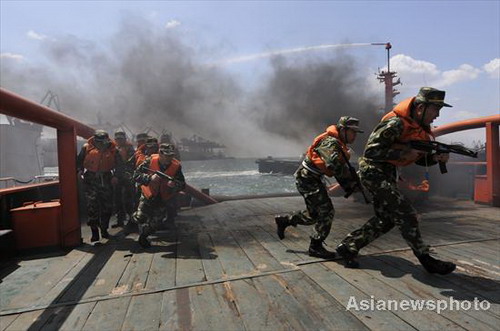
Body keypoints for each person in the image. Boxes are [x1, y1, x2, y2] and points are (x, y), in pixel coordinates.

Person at [336, 87, 456, 275]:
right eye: (435, 110)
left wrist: (435, 159)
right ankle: (426, 259)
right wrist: (404, 153)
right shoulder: (395, 124)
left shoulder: (419, 130)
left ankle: (348, 246)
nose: (437, 115)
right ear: (420, 108)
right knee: (406, 212)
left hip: (387, 173)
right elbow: (371, 152)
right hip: (373, 172)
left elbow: (419, 159)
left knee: (386, 219)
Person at [275, 116, 364, 259]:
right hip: (307, 179)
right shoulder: (330, 143)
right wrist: (350, 184)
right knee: (327, 212)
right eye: (352, 131)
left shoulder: (339, 143)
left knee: (314, 215)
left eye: (356, 132)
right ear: (343, 130)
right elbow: (334, 165)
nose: (354, 136)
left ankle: (285, 220)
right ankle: (315, 247)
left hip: (312, 179)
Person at [132, 143, 186, 248]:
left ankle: (143, 236)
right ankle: (131, 222)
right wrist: (149, 178)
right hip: (148, 195)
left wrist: (174, 185)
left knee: (156, 224)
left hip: (163, 198)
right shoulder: (149, 161)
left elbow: (182, 184)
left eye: (171, 155)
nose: (169, 158)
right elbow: (136, 175)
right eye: (166, 155)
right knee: (140, 217)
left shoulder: (176, 166)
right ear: (160, 154)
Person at [77, 130, 123, 242]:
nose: (103, 145)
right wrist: (79, 171)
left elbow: (120, 165)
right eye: (100, 142)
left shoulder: (113, 150)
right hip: (91, 179)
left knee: (107, 206)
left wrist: (116, 176)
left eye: (104, 142)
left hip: (107, 178)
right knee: (92, 206)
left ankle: (104, 229)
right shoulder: (86, 148)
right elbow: (79, 161)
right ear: (95, 141)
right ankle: (94, 232)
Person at [111, 131, 135, 228]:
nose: (119, 141)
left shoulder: (129, 149)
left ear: (124, 139)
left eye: (121, 139)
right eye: (117, 139)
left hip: (127, 177)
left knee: (128, 199)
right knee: (117, 199)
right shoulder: (113, 148)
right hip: (117, 177)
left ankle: (132, 221)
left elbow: (130, 163)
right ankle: (120, 219)